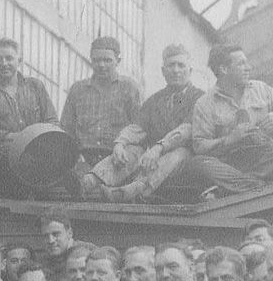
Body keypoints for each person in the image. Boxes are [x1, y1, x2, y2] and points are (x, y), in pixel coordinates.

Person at [82, 44, 204, 202]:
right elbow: (137, 127)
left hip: (186, 160)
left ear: (190, 70)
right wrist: (120, 143)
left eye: (181, 65)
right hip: (154, 157)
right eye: (171, 65)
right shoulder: (155, 100)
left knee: (179, 153)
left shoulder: (200, 98)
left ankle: (132, 190)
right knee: (132, 149)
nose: (175, 70)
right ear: (163, 71)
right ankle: (90, 180)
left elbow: (186, 130)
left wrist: (159, 148)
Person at [187, 43, 273, 197]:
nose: (249, 67)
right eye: (241, 64)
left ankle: (232, 189)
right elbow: (199, 145)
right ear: (224, 69)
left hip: (265, 158)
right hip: (229, 164)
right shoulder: (204, 103)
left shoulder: (261, 89)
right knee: (198, 163)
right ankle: (262, 184)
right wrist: (229, 139)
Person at [0, 38, 61, 197]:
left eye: (9, 58)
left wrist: (35, 138)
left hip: (36, 150)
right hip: (1, 156)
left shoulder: (35, 86)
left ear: (19, 60)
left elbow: (52, 121)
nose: (4, 63)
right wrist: (13, 137)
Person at [59, 36, 142, 169]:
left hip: (117, 159)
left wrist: (121, 145)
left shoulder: (130, 88)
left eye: (107, 60)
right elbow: (66, 129)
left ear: (117, 61)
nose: (102, 65)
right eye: (97, 60)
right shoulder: (77, 90)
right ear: (91, 60)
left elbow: (139, 127)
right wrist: (73, 156)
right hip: (83, 159)